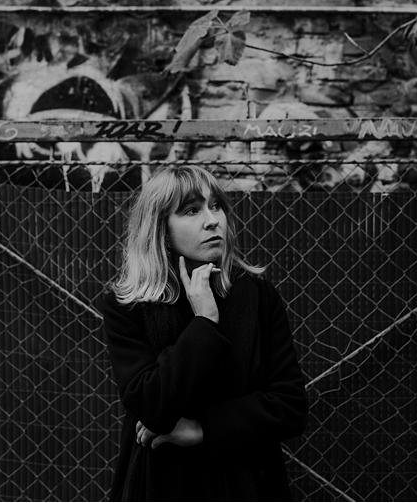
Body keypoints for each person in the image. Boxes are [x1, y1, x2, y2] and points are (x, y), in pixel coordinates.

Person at [101, 166, 309, 500]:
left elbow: (290, 407)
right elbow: (150, 403)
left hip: (245, 482)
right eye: (191, 210)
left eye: (216, 206)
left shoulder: (257, 296)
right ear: (161, 230)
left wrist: (202, 429)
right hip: (160, 482)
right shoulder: (129, 305)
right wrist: (204, 324)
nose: (212, 220)